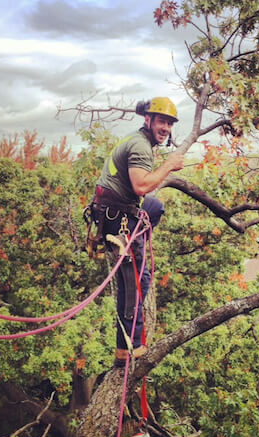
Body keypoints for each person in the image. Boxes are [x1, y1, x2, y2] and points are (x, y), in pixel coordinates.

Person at [91, 97, 184, 367]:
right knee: (136, 282)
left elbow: (143, 195)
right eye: (161, 121)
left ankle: (133, 236)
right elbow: (142, 186)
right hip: (117, 218)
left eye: (169, 123)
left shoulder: (139, 139)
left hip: (112, 210)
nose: (165, 127)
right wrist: (168, 166)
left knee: (155, 207)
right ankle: (130, 347)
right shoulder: (142, 147)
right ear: (148, 120)